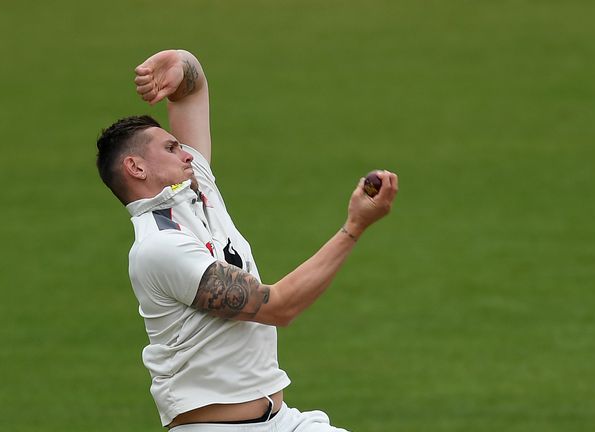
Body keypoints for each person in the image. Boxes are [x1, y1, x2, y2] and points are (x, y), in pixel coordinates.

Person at [96, 49, 398, 431]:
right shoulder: (160, 247)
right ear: (136, 167)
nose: (185, 153)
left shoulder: (195, 188)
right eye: (171, 148)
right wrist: (353, 227)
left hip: (283, 421)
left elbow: (191, 90)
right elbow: (279, 306)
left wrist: (181, 62)